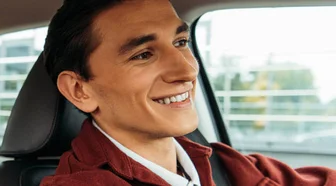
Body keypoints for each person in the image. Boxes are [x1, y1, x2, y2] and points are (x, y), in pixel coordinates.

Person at [39, 0, 336, 185]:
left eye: (180, 42)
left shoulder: (223, 163)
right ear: (79, 90)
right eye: (143, 54)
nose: (186, 70)